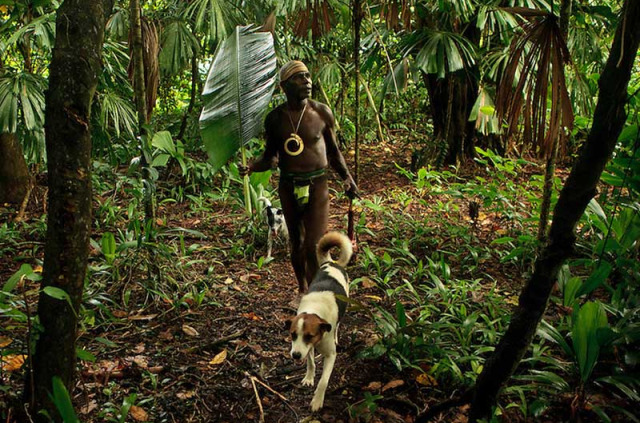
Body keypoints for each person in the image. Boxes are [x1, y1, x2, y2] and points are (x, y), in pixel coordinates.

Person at [239, 60, 358, 293]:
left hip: (317, 185)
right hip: (289, 184)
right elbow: (271, 158)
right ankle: (302, 289)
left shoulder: (321, 112)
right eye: (299, 77)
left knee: (314, 244)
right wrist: (252, 167)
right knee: (298, 242)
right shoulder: (276, 119)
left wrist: (347, 178)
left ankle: (315, 293)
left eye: (307, 76)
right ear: (284, 86)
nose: (307, 81)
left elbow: (333, 152)